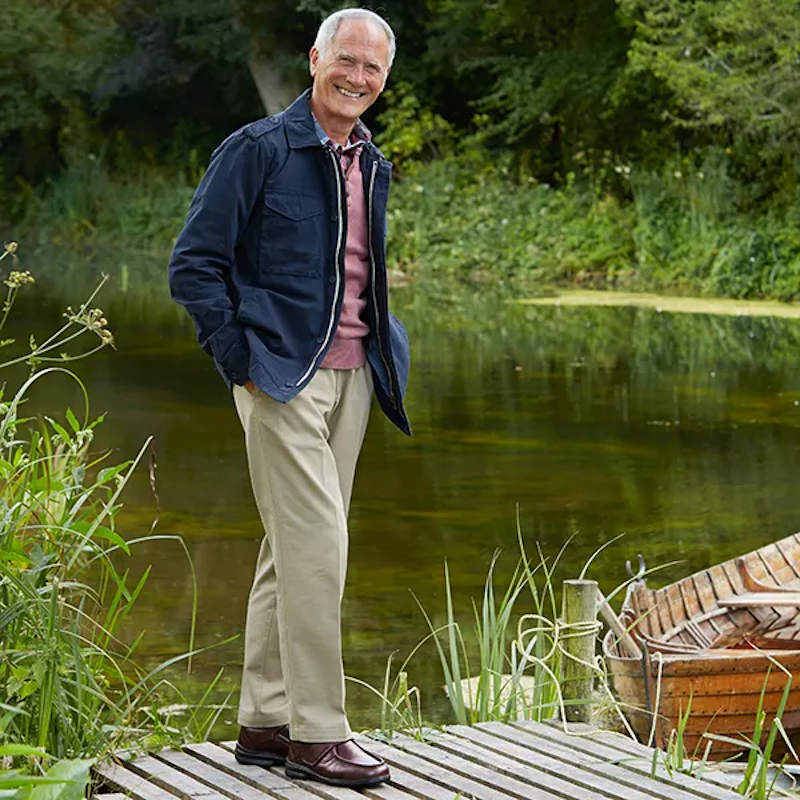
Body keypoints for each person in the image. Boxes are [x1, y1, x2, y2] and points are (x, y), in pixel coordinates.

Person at [167, 8, 410, 789]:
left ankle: (265, 721)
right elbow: (193, 266)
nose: (357, 78)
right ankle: (319, 734)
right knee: (319, 552)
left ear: (383, 78)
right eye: (346, 59)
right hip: (281, 377)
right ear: (315, 58)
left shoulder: (371, 160)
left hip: (356, 377)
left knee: (292, 550)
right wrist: (239, 361)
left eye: (372, 68)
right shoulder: (258, 149)